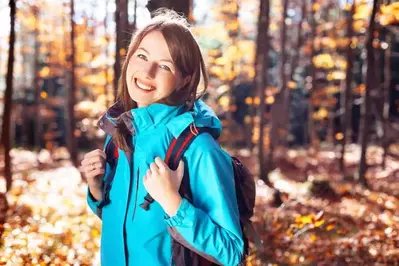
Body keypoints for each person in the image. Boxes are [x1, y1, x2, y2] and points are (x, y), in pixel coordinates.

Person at [79, 9, 244, 266]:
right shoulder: (119, 135)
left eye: (165, 65)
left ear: (184, 79)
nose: (148, 71)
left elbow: (232, 253)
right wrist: (96, 188)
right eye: (142, 56)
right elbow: (125, 226)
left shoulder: (198, 149)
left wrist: (172, 202)